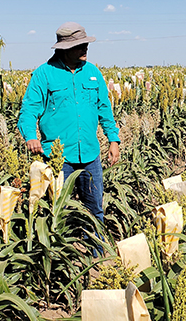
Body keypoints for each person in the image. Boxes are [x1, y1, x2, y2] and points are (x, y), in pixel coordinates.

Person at [17, 22, 120, 223]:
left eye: (85, 44)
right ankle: (63, 253)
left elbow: (104, 109)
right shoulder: (44, 74)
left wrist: (113, 140)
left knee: (95, 210)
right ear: (65, 48)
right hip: (58, 157)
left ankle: (96, 251)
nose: (85, 48)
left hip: (90, 155)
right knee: (58, 211)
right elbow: (28, 111)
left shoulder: (93, 72)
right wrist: (30, 136)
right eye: (80, 45)